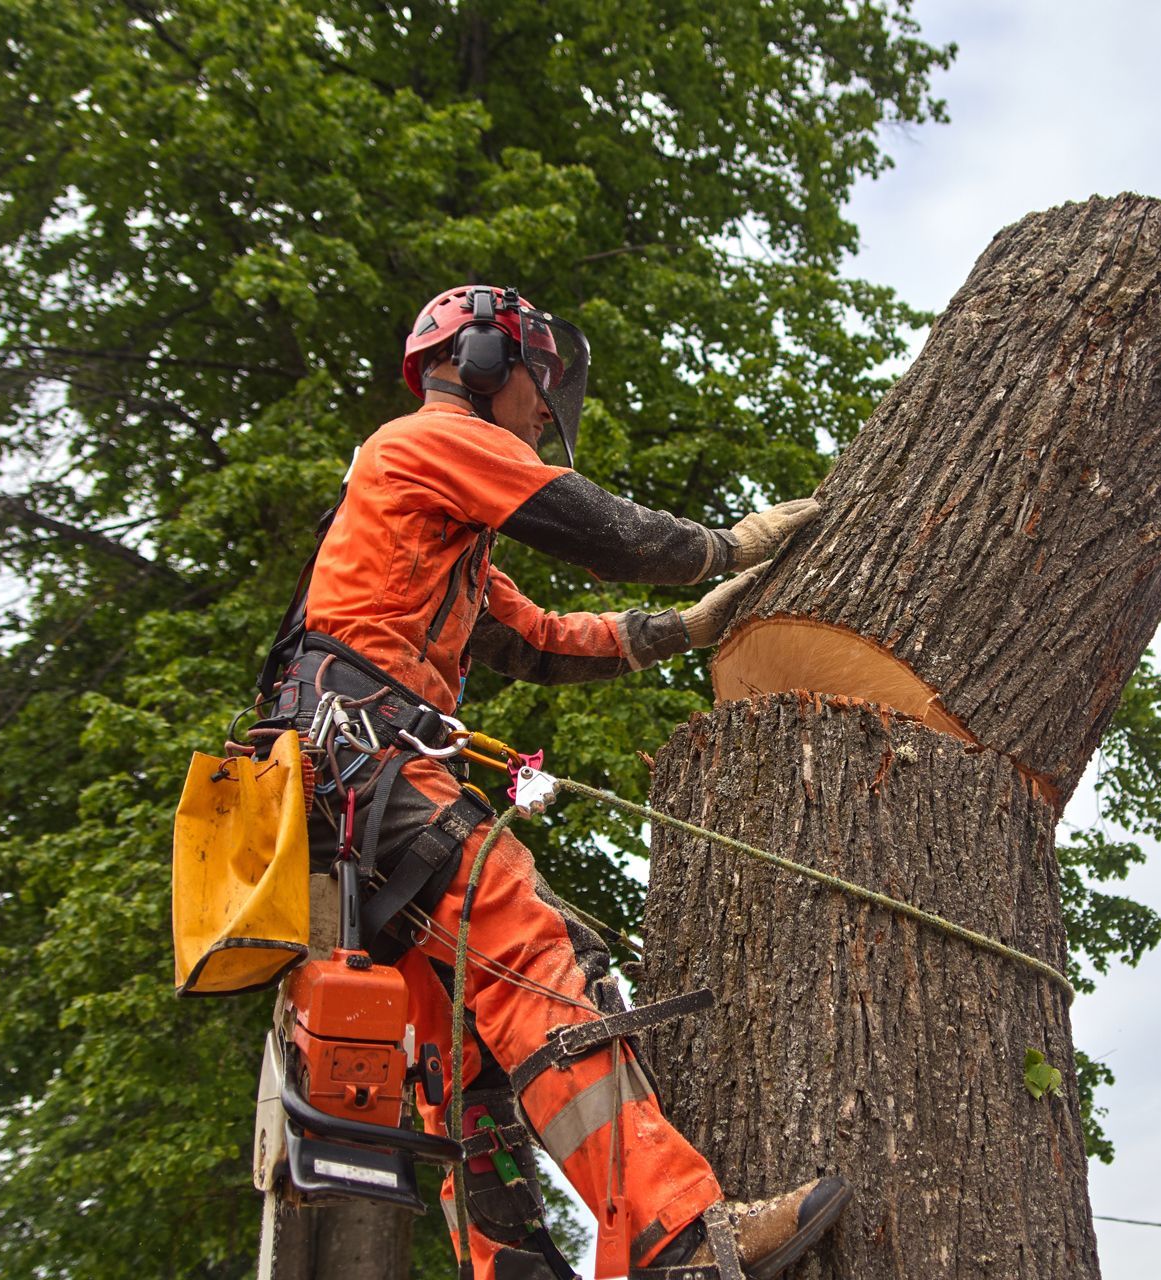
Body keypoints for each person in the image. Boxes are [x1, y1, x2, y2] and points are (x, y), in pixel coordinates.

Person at [263, 285, 848, 1279]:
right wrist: (732, 543)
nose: (544, 414)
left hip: (345, 778)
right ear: (485, 358)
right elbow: (609, 530)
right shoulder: (431, 438)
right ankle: (676, 1237)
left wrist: (686, 627)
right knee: (539, 958)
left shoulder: (422, 506)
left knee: (464, 1039)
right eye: (540, 388)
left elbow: (533, 639)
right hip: (372, 761)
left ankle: (515, 1267)